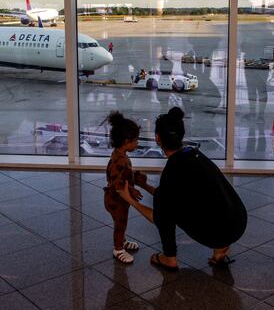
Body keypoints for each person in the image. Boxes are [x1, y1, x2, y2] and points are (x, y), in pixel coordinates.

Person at [118, 107, 247, 271]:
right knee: (177, 202)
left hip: (219, 232)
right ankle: (220, 249)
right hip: (239, 222)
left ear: (158, 138)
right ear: (181, 135)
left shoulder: (172, 170)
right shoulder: (193, 153)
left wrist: (128, 198)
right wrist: (144, 185)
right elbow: (168, 195)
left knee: (167, 212)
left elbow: (159, 216)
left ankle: (169, 258)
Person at [104, 111, 146, 264]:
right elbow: (117, 184)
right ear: (127, 142)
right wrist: (132, 190)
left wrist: (134, 178)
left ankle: (122, 241)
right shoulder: (120, 160)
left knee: (121, 223)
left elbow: (123, 176)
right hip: (116, 199)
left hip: (118, 198)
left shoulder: (120, 156)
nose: (137, 143)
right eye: (136, 140)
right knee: (120, 224)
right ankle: (118, 249)